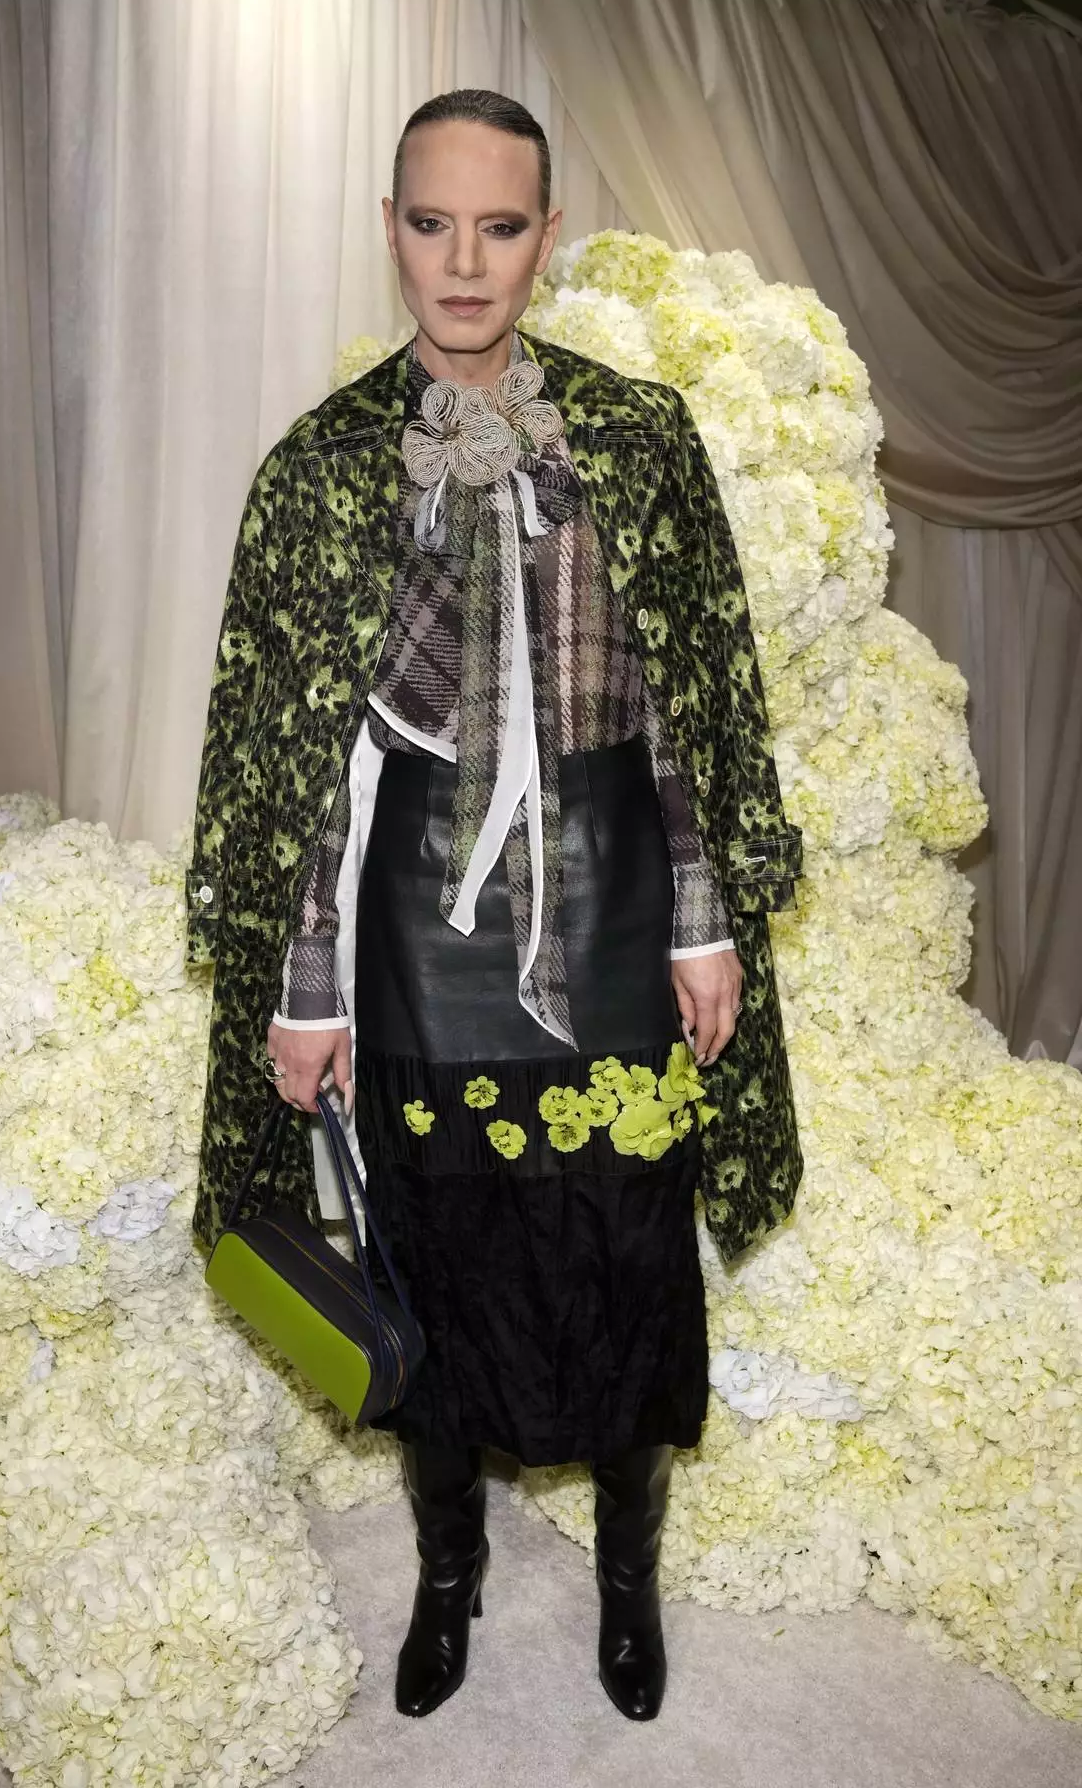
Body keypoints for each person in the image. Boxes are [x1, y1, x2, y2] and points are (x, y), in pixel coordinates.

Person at [185, 88, 804, 1726]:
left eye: (503, 225)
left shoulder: (641, 436)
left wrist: (701, 916)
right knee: (435, 1247)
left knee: (622, 1245)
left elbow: (689, 711)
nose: (464, 263)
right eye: (430, 221)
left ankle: (624, 1578)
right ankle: (449, 1571)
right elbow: (307, 763)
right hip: (411, 916)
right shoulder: (321, 468)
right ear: (389, 226)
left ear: (547, 233)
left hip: (609, 891)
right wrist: (306, 985)